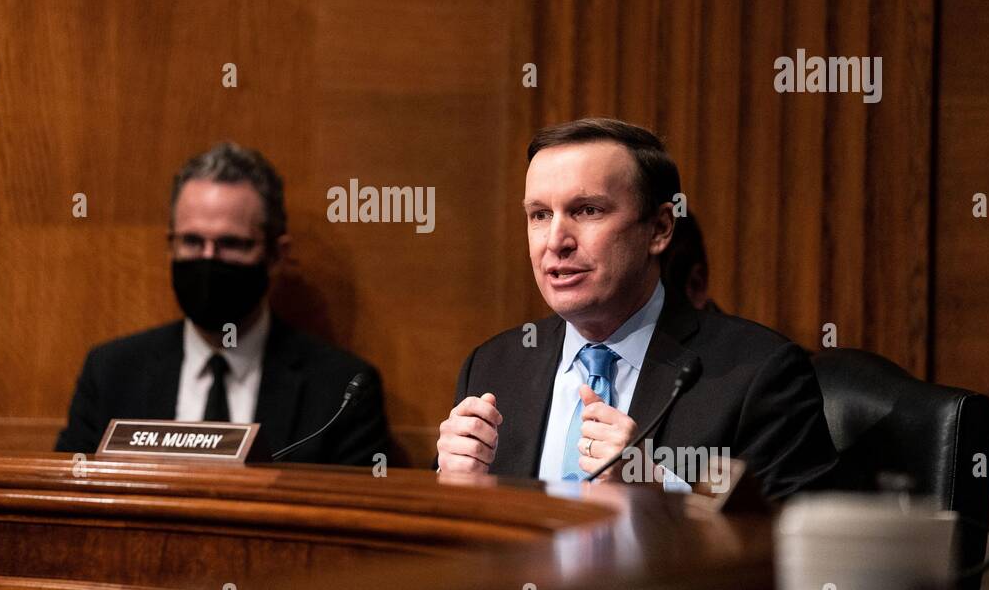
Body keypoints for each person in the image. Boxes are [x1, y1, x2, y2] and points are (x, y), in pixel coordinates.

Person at [435, 118, 837, 500]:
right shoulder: (494, 366)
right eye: (539, 215)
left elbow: (793, 542)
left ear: (660, 228)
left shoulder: (758, 373)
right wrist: (456, 492)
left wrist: (660, 494)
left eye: (587, 210)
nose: (555, 240)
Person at [56, 142, 390, 466]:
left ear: (276, 256)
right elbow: (65, 501)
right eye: (191, 241)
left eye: (230, 244)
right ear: (170, 247)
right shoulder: (112, 373)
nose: (208, 260)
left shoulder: (342, 390)